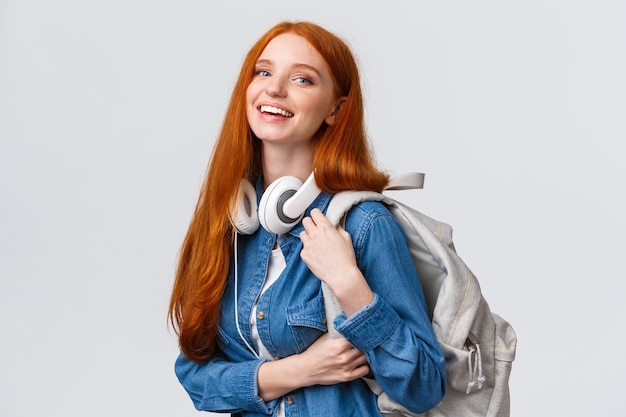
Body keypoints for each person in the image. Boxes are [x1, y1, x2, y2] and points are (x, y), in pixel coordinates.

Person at [168, 20, 446, 416]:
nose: (274, 89)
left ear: (336, 109)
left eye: (302, 79)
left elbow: (424, 386)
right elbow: (196, 378)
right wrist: (298, 371)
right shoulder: (233, 224)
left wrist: (350, 285)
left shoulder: (362, 224)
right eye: (263, 72)